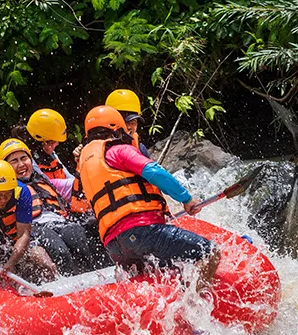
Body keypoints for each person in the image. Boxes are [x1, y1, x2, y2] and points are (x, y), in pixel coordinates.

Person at [75, 105, 220, 285]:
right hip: (142, 231)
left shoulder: (84, 167)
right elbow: (155, 173)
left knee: (163, 273)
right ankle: (194, 305)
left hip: (114, 246)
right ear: (116, 129)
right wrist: (187, 199)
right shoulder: (118, 150)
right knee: (210, 252)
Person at [0, 138, 106, 276]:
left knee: (78, 235)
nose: (21, 164)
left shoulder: (48, 182)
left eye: (24, 158)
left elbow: (79, 185)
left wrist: (82, 161)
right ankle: (69, 285)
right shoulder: (5, 193)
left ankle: (101, 275)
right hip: (34, 229)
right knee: (59, 250)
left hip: (60, 222)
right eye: (14, 161)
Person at [105, 89, 150, 158]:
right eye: (125, 122)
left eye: (133, 122)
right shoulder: (99, 148)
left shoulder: (141, 149)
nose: (130, 127)